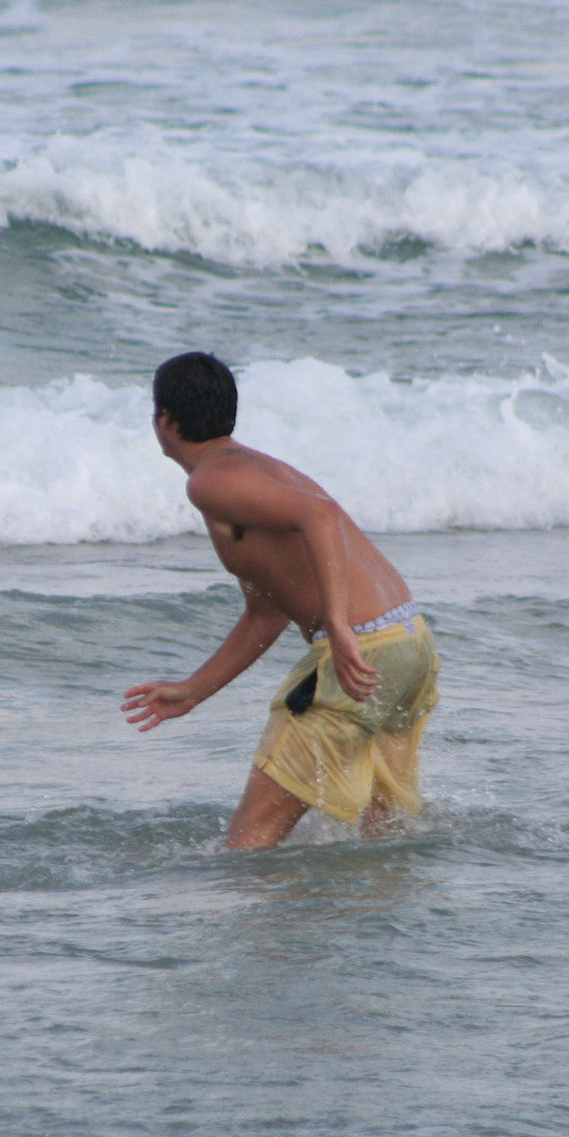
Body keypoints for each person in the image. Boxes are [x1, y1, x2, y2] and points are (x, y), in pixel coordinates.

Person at [122, 352, 440, 848]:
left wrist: (336, 626)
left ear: (164, 420)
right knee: (385, 839)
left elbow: (320, 515)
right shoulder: (248, 471)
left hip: (360, 647)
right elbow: (266, 612)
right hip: (407, 642)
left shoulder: (211, 480)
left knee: (249, 844)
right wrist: (193, 690)